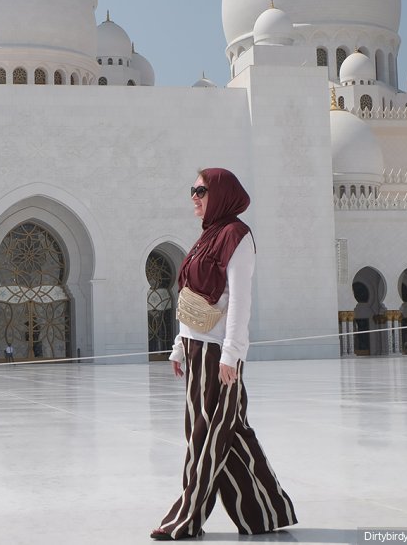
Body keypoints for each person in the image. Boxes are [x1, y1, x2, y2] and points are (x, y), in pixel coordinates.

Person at [151, 168, 297, 540]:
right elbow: (191, 296)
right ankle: (265, 512)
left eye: (201, 190)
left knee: (207, 436)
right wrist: (179, 345)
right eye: (193, 190)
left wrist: (231, 354)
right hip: (197, 350)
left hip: (218, 354)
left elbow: (239, 301)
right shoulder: (209, 236)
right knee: (230, 432)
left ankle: (187, 518)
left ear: (221, 194)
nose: (194, 196)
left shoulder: (236, 236)